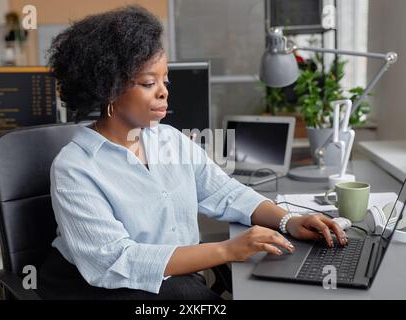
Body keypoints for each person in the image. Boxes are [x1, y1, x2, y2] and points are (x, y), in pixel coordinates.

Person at [38, 5, 347, 300]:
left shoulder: (170, 141)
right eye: (149, 82)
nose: (164, 91)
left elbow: (226, 193)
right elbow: (116, 261)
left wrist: (289, 221)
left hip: (175, 278)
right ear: (108, 88)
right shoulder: (75, 168)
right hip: (102, 288)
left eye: (165, 80)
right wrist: (227, 250)